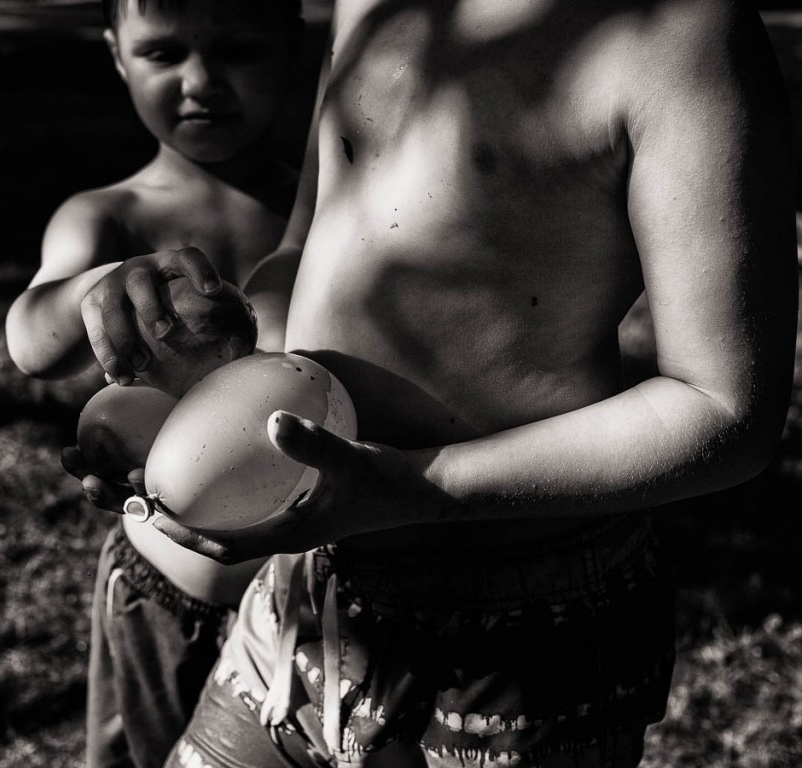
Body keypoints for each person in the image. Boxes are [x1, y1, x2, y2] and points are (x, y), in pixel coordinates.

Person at [72, 0, 799, 766]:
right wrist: (223, 355)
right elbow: (306, 249)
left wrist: (426, 484)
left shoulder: (679, 32)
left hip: (519, 637)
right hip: (314, 596)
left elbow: (724, 410)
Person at [4, 1, 306, 766]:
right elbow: (33, 338)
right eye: (163, 53)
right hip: (167, 589)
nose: (201, 81)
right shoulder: (110, 216)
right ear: (115, 54)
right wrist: (107, 285)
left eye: (237, 48)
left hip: (301, 590)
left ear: (293, 48)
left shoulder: (324, 210)